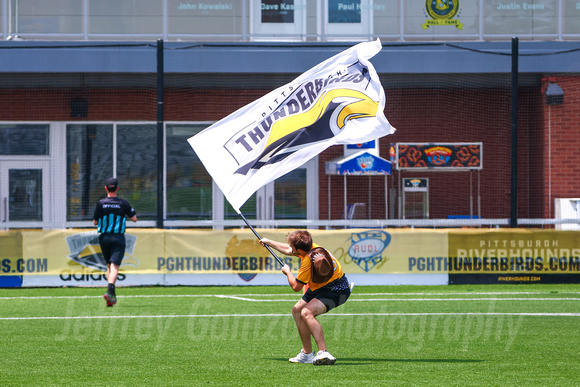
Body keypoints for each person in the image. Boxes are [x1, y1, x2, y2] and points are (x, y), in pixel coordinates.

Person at [260, 230, 351, 366]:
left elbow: (296, 286)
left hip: (337, 290)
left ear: (300, 250)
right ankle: (307, 354)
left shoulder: (308, 261)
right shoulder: (312, 247)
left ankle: (323, 352)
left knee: (306, 312)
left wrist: (288, 272)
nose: (291, 249)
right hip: (321, 286)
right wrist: (268, 242)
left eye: (293, 248)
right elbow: (289, 249)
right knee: (297, 310)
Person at [93, 177, 137, 307]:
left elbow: (95, 222)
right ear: (117, 188)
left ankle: (111, 297)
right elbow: (134, 219)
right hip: (118, 237)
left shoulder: (101, 203)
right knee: (115, 266)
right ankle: (110, 290)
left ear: (106, 188)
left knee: (109, 265)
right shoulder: (123, 203)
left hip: (104, 237)